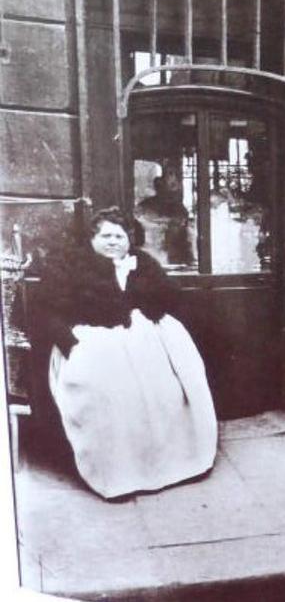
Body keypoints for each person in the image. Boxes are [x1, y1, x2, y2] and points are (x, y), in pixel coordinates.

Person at [37, 207, 217, 499]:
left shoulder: (142, 263)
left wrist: (146, 298)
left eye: (120, 236)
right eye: (106, 235)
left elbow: (170, 296)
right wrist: (70, 344)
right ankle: (117, 471)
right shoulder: (71, 266)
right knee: (108, 394)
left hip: (144, 339)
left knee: (165, 390)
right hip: (93, 340)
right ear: (93, 239)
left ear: (129, 240)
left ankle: (168, 462)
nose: (113, 242)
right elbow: (48, 311)